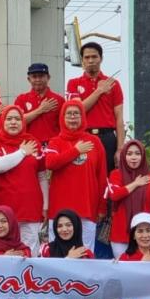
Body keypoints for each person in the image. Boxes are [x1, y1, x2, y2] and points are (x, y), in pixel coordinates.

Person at [45, 100, 107, 247]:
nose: (73, 117)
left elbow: (102, 176)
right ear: (62, 117)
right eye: (69, 114)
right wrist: (76, 151)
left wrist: (101, 207)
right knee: (58, 254)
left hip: (87, 208)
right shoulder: (55, 142)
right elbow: (50, 163)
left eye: (76, 113)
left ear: (83, 117)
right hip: (59, 210)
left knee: (85, 254)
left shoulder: (95, 141)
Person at [0, 105, 46, 255]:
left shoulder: (33, 143)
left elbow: (42, 176)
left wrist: (46, 204)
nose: (13, 122)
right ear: (2, 121)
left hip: (30, 207)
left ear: (23, 121)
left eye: (17, 119)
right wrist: (22, 152)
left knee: (29, 252)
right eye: (9, 119)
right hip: (3, 207)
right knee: (2, 253)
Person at [66, 42, 124, 172]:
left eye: (94, 56)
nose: (91, 60)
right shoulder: (73, 83)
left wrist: (120, 149)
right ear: (82, 60)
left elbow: (119, 118)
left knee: (108, 177)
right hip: (83, 137)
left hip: (108, 138)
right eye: (87, 57)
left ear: (101, 58)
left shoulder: (114, 84)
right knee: (85, 178)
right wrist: (99, 91)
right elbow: (78, 110)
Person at [106, 140, 150, 259]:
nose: (133, 157)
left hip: (145, 235)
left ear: (142, 156)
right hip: (121, 233)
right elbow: (115, 195)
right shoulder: (116, 175)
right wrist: (135, 184)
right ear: (123, 156)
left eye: (137, 154)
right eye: (129, 154)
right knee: (123, 270)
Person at [14, 63, 65, 145]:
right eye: (34, 76)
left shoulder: (59, 100)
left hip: (53, 146)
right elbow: (17, 122)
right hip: (29, 146)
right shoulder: (21, 99)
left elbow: (64, 126)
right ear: (29, 79)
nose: (38, 79)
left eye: (41, 76)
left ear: (48, 78)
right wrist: (40, 110)